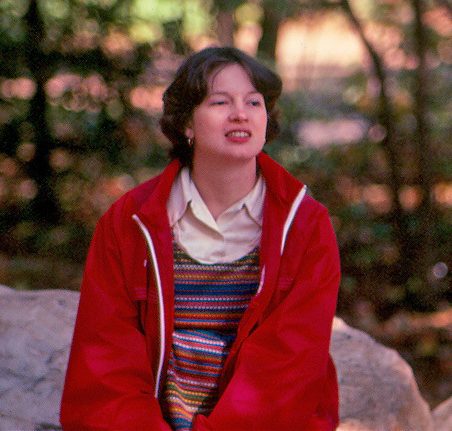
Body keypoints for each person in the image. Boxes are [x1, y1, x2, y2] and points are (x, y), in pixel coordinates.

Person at [60, 46, 340, 431]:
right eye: (220, 101)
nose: (240, 113)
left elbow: (286, 372)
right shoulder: (129, 222)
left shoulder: (306, 226)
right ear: (186, 125)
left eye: (254, 102)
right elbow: (105, 367)